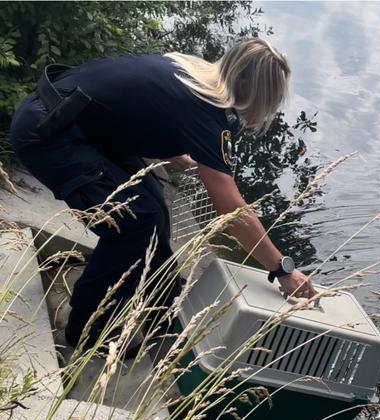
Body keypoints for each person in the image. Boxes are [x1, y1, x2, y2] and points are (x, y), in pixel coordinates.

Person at [9, 38, 316, 355]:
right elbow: (232, 212)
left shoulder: (192, 71)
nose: (266, 109)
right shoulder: (209, 111)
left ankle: (161, 299)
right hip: (50, 134)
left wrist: (173, 153)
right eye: (269, 99)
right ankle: (86, 326)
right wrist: (283, 269)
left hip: (72, 119)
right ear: (251, 89)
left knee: (154, 207)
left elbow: (143, 106)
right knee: (134, 223)